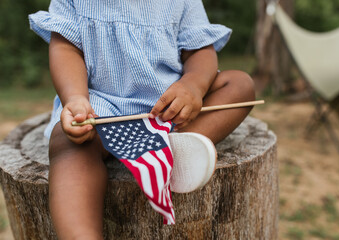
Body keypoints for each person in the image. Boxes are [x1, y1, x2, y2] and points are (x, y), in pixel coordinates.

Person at [29, 0, 255, 238]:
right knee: (70, 143)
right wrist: (75, 98)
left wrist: (193, 85)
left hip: (169, 108)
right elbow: (65, 49)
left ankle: (172, 145)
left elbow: (199, 50)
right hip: (101, 106)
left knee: (239, 85)